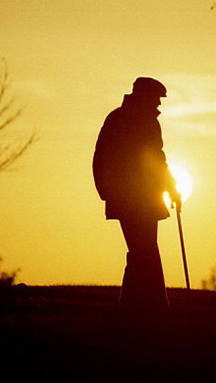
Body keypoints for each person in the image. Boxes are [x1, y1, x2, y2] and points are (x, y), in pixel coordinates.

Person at [93, 77, 182, 307]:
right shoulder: (139, 121)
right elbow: (155, 160)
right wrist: (171, 189)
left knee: (140, 251)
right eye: (156, 99)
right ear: (144, 96)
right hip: (137, 197)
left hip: (133, 197)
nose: (158, 105)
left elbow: (101, 157)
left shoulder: (118, 118)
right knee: (145, 250)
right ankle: (155, 303)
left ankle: (134, 303)